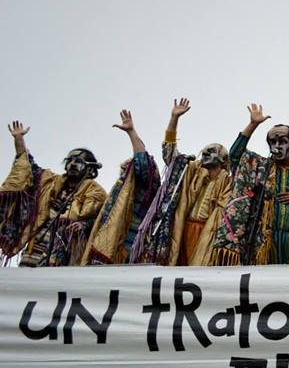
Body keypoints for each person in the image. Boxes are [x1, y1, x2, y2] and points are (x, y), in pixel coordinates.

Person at [211, 103, 289, 265]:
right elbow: (236, 156)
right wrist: (253, 124)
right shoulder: (260, 166)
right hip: (263, 241)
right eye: (273, 142)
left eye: (282, 141)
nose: (277, 146)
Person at [131, 98, 233, 265]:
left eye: (211, 151)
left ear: (223, 159)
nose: (205, 154)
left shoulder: (229, 182)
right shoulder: (189, 170)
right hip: (181, 229)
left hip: (209, 235)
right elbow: (170, 155)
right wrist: (174, 118)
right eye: (204, 151)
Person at [0, 121, 106, 266]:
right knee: (26, 275)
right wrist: (19, 139)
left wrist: (84, 225)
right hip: (37, 244)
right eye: (70, 160)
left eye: (79, 161)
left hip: (67, 248)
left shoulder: (97, 192)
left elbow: (103, 221)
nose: (73, 164)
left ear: (90, 168)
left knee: (54, 278)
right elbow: (28, 166)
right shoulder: (50, 180)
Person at [82, 110, 160, 264]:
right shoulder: (118, 195)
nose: (125, 173)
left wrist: (131, 132)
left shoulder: (144, 189)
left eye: (129, 169)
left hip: (129, 249)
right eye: (124, 170)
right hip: (108, 247)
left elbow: (143, 163)